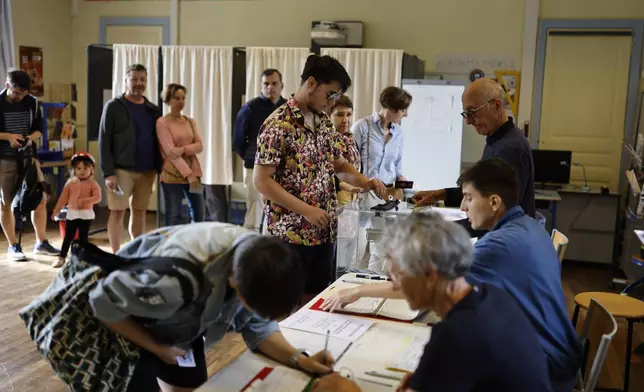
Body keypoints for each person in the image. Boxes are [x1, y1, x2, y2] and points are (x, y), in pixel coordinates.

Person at [323, 158, 581, 392]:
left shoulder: (498, 248)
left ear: (494, 201)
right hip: (557, 356)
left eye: (468, 197)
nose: (463, 206)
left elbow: (431, 281)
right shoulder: (529, 227)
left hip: (553, 369)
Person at [312, 213, 552, 392]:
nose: (394, 285)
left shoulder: (456, 336)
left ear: (429, 274)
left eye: (397, 275)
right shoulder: (490, 296)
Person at [89, 222, 334, 391]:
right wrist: (156, 347)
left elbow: (258, 327)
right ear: (233, 282)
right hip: (122, 320)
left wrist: (299, 360)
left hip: (182, 323)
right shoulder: (174, 279)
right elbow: (101, 302)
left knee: (190, 387)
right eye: (254, 306)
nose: (256, 314)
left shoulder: (255, 260)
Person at [254, 54, 386, 302]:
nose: (332, 102)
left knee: (316, 300)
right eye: (331, 94)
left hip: (323, 232)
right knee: (285, 304)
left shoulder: (322, 121)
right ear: (312, 83)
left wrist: (365, 182)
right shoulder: (278, 124)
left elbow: (338, 163)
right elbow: (262, 181)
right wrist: (306, 210)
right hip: (290, 235)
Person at [412, 78, 535, 223]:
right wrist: (442, 194)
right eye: (465, 114)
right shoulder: (497, 140)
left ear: (496, 106)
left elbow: (496, 215)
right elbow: (482, 192)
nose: (468, 121)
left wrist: (443, 230)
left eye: (472, 112)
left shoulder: (510, 148)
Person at [99, 63, 162, 253]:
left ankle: (136, 251)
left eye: (142, 79)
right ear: (126, 81)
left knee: (140, 211)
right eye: (134, 79)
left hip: (147, 170)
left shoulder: (153, 109)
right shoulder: (113, 106)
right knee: (118, 211)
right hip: (121, 170)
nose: (138, 83)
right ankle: (116, 254)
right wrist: (108, 173)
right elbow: (104, 140)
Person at [0, 69, 59, 261]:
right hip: (5, 160)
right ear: (7, 85)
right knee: (5, 204)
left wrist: (29, 138)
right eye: (16, 92)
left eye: (23, 93)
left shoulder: (32, 102)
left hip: (29, 159)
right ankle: (13, 246)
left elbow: (39, 130)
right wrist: (8, 136)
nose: (20, 97)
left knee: (39, 199)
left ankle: (41, 242)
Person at [351, 86, 412, 270]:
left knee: (381, 247)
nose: (405, 115)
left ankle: (372, 286)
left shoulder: (399, 133)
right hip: (364, 193)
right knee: (359, 247)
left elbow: (398, 163)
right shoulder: (362, 127)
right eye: (403, 110)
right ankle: (348, 284)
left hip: (387, 195)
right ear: (391, 109)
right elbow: (350, 164)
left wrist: (402, 179)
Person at [233, 69, 287, 231]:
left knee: (278, 211)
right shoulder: (250, 108)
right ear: (261, 86)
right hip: (254, 166)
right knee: (253, 211)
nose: (270, 87)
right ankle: (248, 249)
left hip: (281, 169)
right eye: (266, 84)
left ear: (281, 85)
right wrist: (251, 156)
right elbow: (238, 140)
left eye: (274, 83)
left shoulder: (288, 109)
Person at [156, 83, 205, 226]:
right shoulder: (162, 122)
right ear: (168, 100)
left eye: (183, 98)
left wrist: (182, 149)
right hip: (172, 176)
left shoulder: (190, 121)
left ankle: (194, 245)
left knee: (199, 214)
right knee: (172, 216)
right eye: (177, 98)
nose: (181, 101)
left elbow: (200, 146)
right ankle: (171, 246)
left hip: (194, 172)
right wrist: (188, 175)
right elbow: (171, 153)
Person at [51, 152, 102, 268]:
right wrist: (56, 210)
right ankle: (62, 257)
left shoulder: (93, 183)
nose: (82, 171)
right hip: (72, 214)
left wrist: (85, 201)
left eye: (85, 168)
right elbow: (63, 198)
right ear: (74, 169)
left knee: (83, 238)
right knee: (68, 237)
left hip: (86, 215)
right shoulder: (70, 183)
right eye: (78, 168)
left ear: (92, 170)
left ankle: (83, 259)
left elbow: (98, 198)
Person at [329, 95, 361, 206]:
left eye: (348, 114)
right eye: (339, 115)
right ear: (329, 116)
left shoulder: (351, 140)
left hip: (354, 197)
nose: (345, 120)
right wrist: (342, 185)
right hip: (333, 198)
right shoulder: (325, 139)